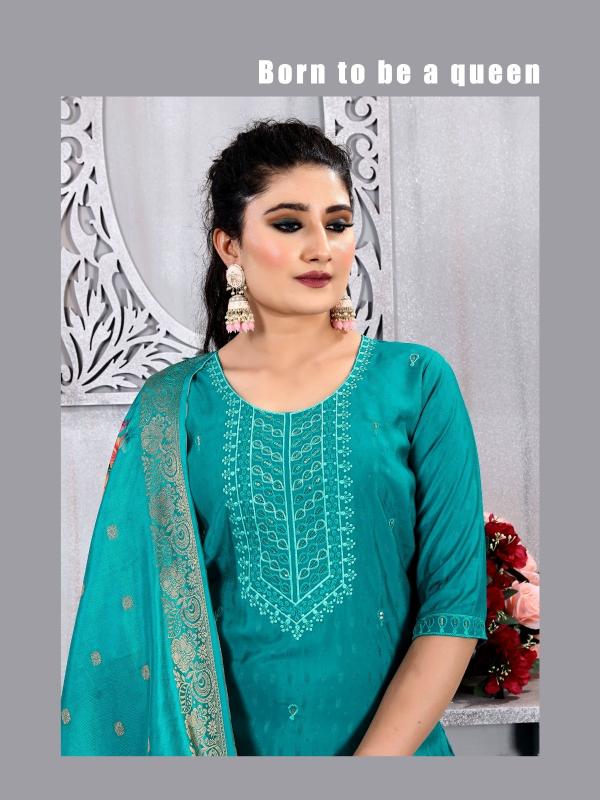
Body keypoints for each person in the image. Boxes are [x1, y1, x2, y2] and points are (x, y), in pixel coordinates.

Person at [60, 118, 488, 757]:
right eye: (289, 224)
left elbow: (453, 608)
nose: (321, 247)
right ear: (230, 245)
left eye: (337, 224)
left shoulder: (418, 383)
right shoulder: (173, 410)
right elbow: (125, 631)